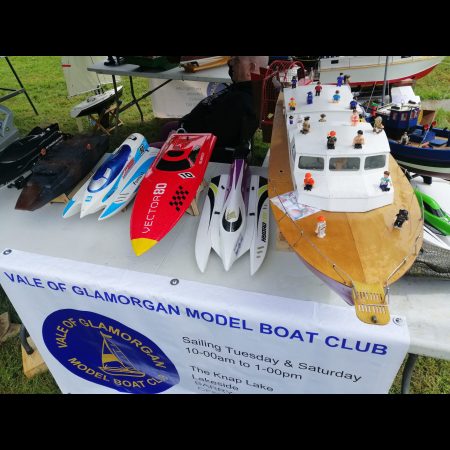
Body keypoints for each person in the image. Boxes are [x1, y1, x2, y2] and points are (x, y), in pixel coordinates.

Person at [157, 56, 269, 163]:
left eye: (237, 60)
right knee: (167, 127)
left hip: (190, 145)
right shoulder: (244, 87)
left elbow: (214, 137)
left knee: (154, 148)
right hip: (188, 130)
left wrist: (181, 135)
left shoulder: (240, 101)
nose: (231, 62)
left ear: (251, 68)